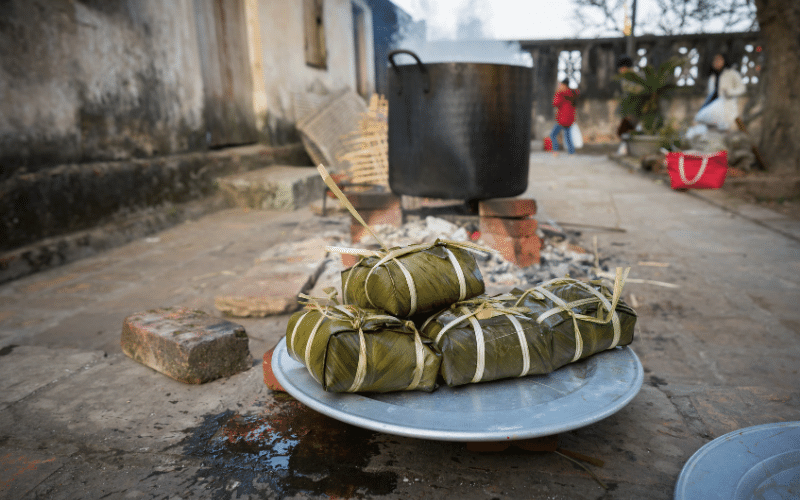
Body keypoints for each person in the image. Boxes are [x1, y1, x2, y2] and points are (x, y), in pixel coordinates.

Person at [693, 53, 745, 131]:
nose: (717, 62)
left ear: (724, 60)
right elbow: (711, 93)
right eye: (715, 60)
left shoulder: (732, 73)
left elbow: (742, 88)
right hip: (713, 105)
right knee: (705, 122)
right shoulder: (712, 77)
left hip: (727, 104)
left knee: (733, 124)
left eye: (719, 60)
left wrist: (730, 92)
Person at [550, 79, 579, 155]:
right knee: (567, 136)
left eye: (561, 84)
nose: (560, 86)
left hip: (562, 119)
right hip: (569, 119)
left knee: (553, 134)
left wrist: (557, 93)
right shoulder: (572, 94)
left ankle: (555, 151)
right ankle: (572, 152)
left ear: (564, 85)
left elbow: (555, 103)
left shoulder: (561, 93)